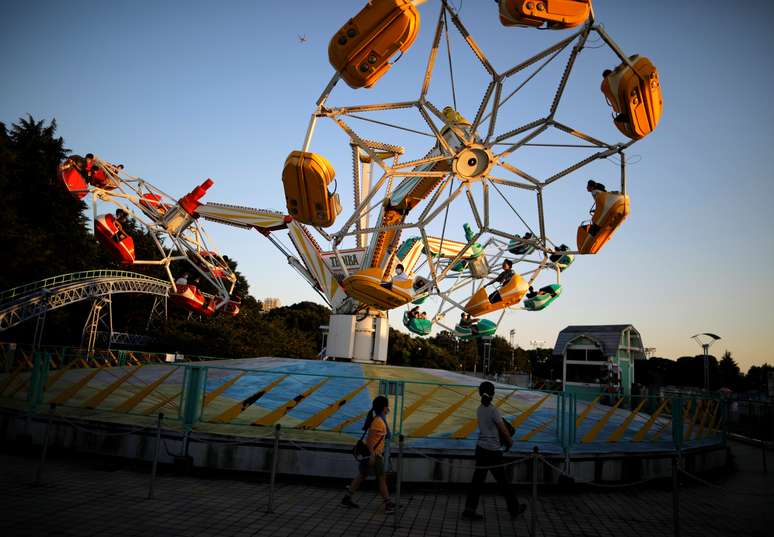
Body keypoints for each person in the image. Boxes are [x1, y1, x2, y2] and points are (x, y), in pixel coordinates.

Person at [462, 382, 526, 521]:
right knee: (503, 482)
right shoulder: (493, 410)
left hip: (481, 449)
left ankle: (469, 509)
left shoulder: (479, 409)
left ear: (480, 393)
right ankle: (514, 509)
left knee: (477, 482)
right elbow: (504, 430)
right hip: (492, 451)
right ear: (493, 394)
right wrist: (510, 442)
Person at [342, 395, 398, 514]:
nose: (388, 409)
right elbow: (370, 440)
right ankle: (388, 504)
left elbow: (388, 435)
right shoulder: (378, 422)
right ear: (384, 407)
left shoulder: (379, 420)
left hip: (373, 455)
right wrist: (372, 455)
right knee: (381, 479)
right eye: (387, 407)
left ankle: (347, 498)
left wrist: (384, 416)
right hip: (375, 456)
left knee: (362, 476)